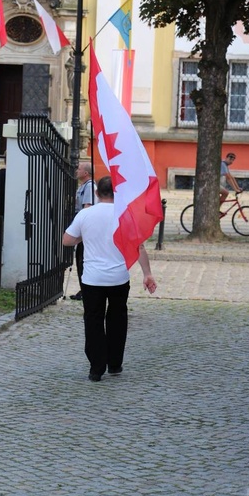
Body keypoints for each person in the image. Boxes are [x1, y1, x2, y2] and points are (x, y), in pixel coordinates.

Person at [63, 176, 157, 382]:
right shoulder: (126, 215)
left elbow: (67, 240)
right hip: (118, 277)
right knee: (117, 320)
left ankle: (96, 368)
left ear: (97, 193)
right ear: (117, 193)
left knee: (93, 320)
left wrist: (83, 237)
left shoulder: (86, 214)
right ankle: (115, 363)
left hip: (92, 279)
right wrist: (147, 273)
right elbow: (138, 246)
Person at [69, 161, 97, 301]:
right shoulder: (83, 186)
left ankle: (86, 289)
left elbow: (87, 208)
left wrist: (80, 230)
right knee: (80, 259)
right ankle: (84, 288)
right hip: (82, 229)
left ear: (86, 173)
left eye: (79, 168)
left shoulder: (90, 187)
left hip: (85, 231)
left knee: (83, 260)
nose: (76, 170)